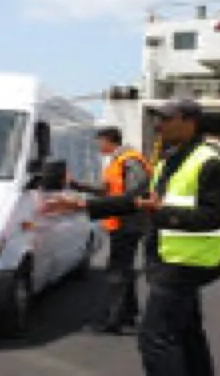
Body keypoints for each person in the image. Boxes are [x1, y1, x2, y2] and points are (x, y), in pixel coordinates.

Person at [43, 97, 220, 376]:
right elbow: (135, 199)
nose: (159, 124)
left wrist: (161, 212)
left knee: (154, 339)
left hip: (185, 262)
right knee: (186, 332)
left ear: (189, 122)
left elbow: (214, 217)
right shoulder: (169, 161)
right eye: (158, 119)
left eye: (167, 119)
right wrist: (82, 205)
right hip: (171, 256)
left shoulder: (209, 162)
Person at [68, 126, 150, 334]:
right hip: (120, 222)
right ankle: (129, 315)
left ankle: (113, 321)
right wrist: (77, 185)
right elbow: (106, 190)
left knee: (116, 271)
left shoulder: (130, 161)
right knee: (123, 269)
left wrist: (99, 207)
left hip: (127, 223)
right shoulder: (117, 161)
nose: (97, 146)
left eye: (99, 142)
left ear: (108, 140)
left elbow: (134, 195)